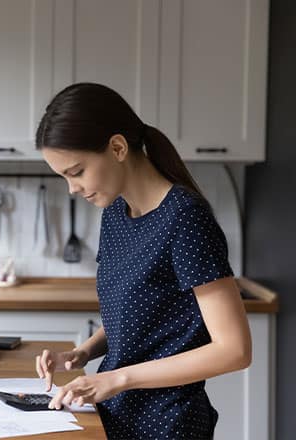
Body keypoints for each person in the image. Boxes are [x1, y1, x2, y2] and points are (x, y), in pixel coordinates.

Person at [34, 83, 252, 439]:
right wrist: (81, 353)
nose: (72, 189)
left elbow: (235, 350)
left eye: (76, 172)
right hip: (119, 416)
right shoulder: (116, 213)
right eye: (64, 177)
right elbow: (142, 315)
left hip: (168, 425)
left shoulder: (185, 219)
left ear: (117, 147)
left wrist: (118, 378)